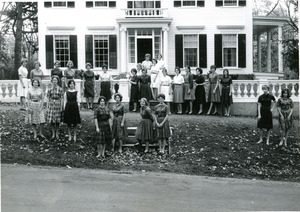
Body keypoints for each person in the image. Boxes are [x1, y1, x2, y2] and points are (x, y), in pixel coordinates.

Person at [46, 76, 64, 140]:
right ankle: (53, 133)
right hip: (51, 105)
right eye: (53, 80)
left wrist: (62, 106)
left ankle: (57, 133)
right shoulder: (49, 89)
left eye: (56, 80)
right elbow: (48, 98)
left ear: (57, 81)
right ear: (52, 81)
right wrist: (47, 106)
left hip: (58, 104)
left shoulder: (60, 89)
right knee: (52, 120)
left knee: (57, 120)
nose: (54, 81)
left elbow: (62, 98)